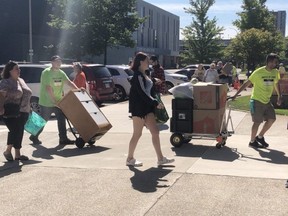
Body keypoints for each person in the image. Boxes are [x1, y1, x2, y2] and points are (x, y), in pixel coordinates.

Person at [127, 52, 175, 167]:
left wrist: (153, 81)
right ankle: (129, 158)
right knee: (137, 134)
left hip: (147, 108)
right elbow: (142, 92)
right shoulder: (137, 75)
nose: (149, 62)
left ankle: (160, 159)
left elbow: (147, 88)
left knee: (155, 131)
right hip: (139, 109)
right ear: (141, 62)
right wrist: (155, 103)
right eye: (147, 60)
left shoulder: (144, 74)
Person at [231, 53, 281, 148]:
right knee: (257, 122)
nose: (276, 64)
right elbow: (247, 83)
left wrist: (279, 95)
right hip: (257, 100)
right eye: (275, 62)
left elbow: (276, 83)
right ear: (269, 62)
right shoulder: (258, 72)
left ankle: (260, 136)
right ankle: (252, 141)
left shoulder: (275, 72)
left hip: (267, 100)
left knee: (272, 119)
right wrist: (236, 94)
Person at [29, 55, 79, 145]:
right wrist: (54, 101)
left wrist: (78, 90)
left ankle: (63, 139)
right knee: (43, 120)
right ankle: (34, 136)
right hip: (47, 102)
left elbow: (69, 82)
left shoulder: (61, 73)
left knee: (61, 119)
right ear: (52, 62)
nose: (59, 63)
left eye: (60, 61)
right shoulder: (46, 72)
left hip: (58, 101)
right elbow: (48, 88)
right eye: (56, 61)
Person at [0, 61, 32, 161]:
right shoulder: (5, 82)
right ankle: (8, 150)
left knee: (19, 131)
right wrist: (0, 108)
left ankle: (17, 155)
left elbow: (26, 94)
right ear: (10, 71)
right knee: (15, 130)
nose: (19, 70)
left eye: (19, 68)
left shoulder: (21, 80)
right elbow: (1, 95)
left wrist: (29, 108)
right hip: (11, 111)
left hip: (24, 110)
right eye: (16, 69)